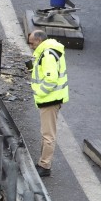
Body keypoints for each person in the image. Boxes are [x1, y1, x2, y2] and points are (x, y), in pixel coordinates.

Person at [26, 29, 68, 177]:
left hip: (49, 99)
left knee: (48, 135)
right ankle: (43, 163)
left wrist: (39, 92)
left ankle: (44, 166)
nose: (30, 46)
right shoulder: (47, 50)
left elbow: (51, 79)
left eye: (31, 43)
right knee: (46, 133)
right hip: (51, 98)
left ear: (38, 40)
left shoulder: (47, 54)